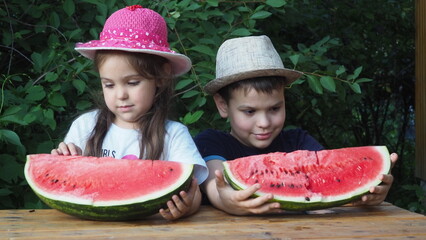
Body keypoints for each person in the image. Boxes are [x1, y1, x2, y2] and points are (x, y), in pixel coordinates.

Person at [194, 35, 397, 215]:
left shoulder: (299, 141)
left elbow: (329, 184)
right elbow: (216, 183)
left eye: (275, 109)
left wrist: (365, 191)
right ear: (223, 105)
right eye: (249, 111)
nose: (264, 123)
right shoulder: (211, 142)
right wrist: (225, 201)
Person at [50, 5, 208, 220]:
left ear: (161, 78)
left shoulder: (174, 134)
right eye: (109, 85)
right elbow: (67, 180)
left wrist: (188, 206)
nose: (120, 95)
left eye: (132, 82)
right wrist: (63, 160)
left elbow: (193, 190)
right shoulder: (85, 126)